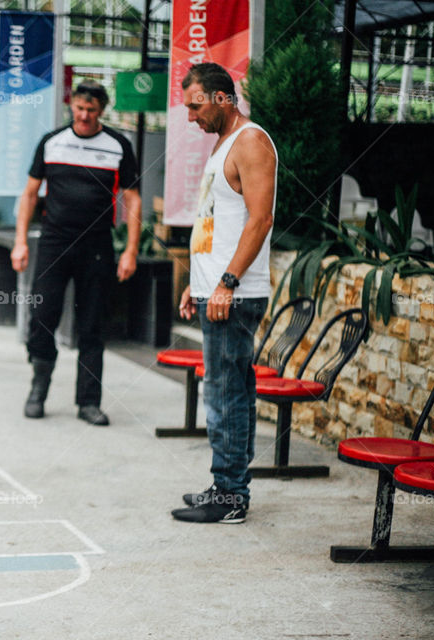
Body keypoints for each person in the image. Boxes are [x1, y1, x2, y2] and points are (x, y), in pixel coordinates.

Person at [170, 62, 277, 524]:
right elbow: (216, 224)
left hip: (234, 294)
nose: (191, 117)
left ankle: (231, 496)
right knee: (229, 389)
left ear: (222, 98)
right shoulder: (223, 145)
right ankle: (225, 484)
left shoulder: (251, 141)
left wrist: (227, 283)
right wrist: (199, 285)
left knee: (227, 393)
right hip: (215, 292)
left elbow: (260, 219)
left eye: (195, 106)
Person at [11, 80, 141, 427]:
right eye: (79, 109)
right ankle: (38, 388)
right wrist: (21, 241)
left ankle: (88, 402)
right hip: (54, 241)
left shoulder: (118, 146)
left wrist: (130, 250)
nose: (84, 116)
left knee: (92, 324)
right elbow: (29, 195)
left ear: (102, 111)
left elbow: (133, 200)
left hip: (97, 245)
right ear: (72, 105)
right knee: (41, 317)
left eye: (91, 111)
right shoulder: (52, 142)